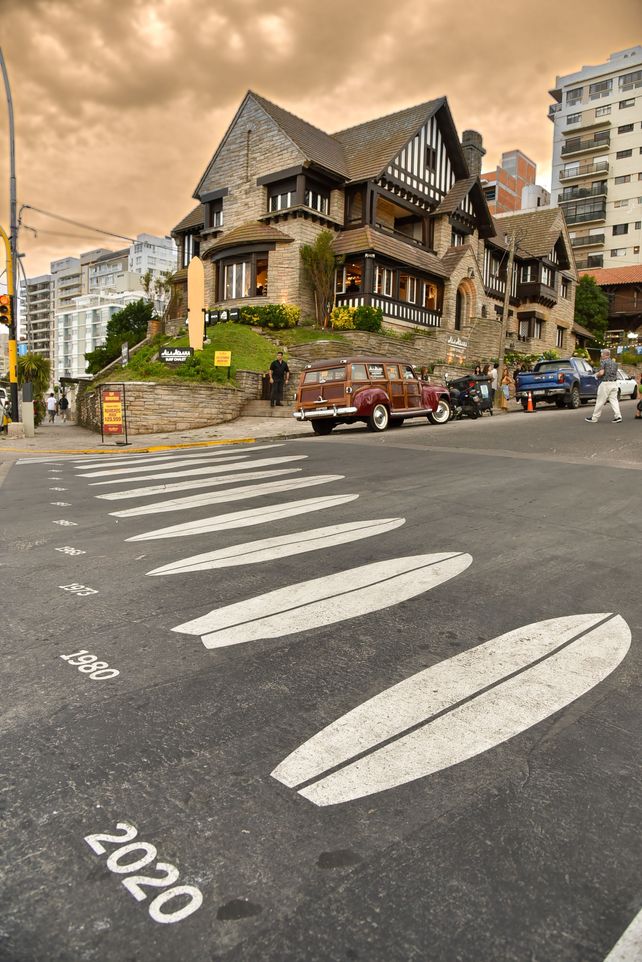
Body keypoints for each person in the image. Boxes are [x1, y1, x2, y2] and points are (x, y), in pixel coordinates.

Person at [585, 349, 622, 423]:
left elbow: (601, 373)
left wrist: (596, 375)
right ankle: (618, 416)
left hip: (605, 384)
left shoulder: (603, 362)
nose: (601, 355)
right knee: (614, 400)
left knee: (600, 401)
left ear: (604, 355)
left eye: (601, 354)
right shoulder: (614, 363)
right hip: (614, 383)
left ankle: (594, 418)